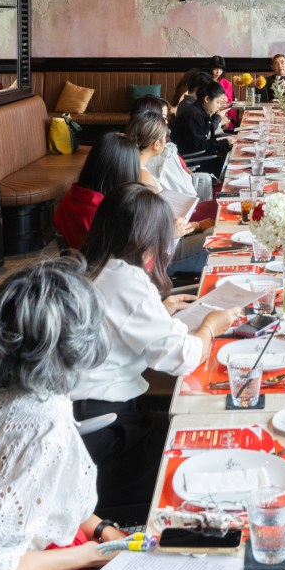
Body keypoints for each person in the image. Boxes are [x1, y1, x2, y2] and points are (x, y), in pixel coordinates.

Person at [0, 258, 122, 570]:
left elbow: (43, 494)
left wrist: (99, 529)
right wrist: (90, 555)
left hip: (32, 550)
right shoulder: (41, 423)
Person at [73, 184, 238, 517]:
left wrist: (160, 310)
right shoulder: (126, 281)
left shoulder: (92, 266)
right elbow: (183, 357)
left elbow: (119, 328)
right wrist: (210, 326)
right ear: (146, 239)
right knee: (209, 454)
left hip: (90, 414)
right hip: (105, 437)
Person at [126, 112, 213, 279]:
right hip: (161, 253)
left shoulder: (131, 166)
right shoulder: (143, 178)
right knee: (217, 239)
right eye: (165, 137)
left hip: (163, 242)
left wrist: (195, 226)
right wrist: (194, 226)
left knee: (215, 232)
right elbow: (153, 229)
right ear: (156, 144)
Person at [54, 132, 140, 250]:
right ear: (127, 173)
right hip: (104, 261)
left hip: (75, 260)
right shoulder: (106, 213)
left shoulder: (68, 198)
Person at [171, 76, 232, 174]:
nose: (218, 106)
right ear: (207, 99)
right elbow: (200, 146)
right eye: (217, 102)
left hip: (201, 156)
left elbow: (205, 139)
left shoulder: (199, 111)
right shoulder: (194, 115)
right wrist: (225, 143)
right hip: (196, 162)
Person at [208, 55, 236, 130]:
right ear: (211, 69)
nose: (218, 72)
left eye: (220, 69)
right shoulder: (205, 82)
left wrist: (226, 117)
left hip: (224, 113)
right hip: (209, 113)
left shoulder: (227, 83)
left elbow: (229, 102)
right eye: (215, 69)